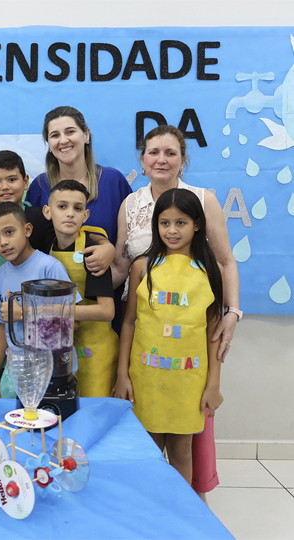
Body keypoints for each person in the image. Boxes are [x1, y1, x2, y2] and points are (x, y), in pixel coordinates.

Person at [112, 125, 240, 498]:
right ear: (142, 159)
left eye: (170, 153)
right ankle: (151, 505)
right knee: (148, 445)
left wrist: (232, 311)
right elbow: (123, 265)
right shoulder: (132, 206)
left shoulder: (204, 202)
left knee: (183, 449)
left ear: (183, 159)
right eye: (153, 152)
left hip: (187, 365)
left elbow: (225, 261)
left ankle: (183, 507)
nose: (161, 159)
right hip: (147, 355)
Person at [113, 188, 224, 489]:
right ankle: (147, 513)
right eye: (165, 223)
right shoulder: (142, 267)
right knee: (146, 451)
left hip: (187, 383)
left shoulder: (209, 270)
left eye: (181, 223)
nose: (172, 231)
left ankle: (179, 514)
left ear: (197, 224)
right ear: (155, 225)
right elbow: (129, 323)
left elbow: (214, 334)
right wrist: (122, 374)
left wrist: (213, 385)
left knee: (181, 452)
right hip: (146, 380)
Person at [0, 202, 75, 399]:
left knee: (49, 426)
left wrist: (25, 313)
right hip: (15, 369)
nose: (3, 242)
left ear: (27, 230)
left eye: (9, 232)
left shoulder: (49, 268)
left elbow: (72, 322)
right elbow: (3, 328)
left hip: (51, 368)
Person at [42, 180, 118, 397]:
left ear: (85, 216)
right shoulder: (44, 246)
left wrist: (53, 312)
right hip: (59, 352)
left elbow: (106, 312)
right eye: (62, 206)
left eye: (77, 208)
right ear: (48, 211)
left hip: (95, 351)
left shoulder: (94, 253)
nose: (70, 214)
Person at [25, 106, 132, 244]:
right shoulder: (39, 186)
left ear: (86, 135)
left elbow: (131, 236)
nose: (63, 141)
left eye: (70, 132)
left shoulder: (113, 181)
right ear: (49, 144)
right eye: (55, 135)